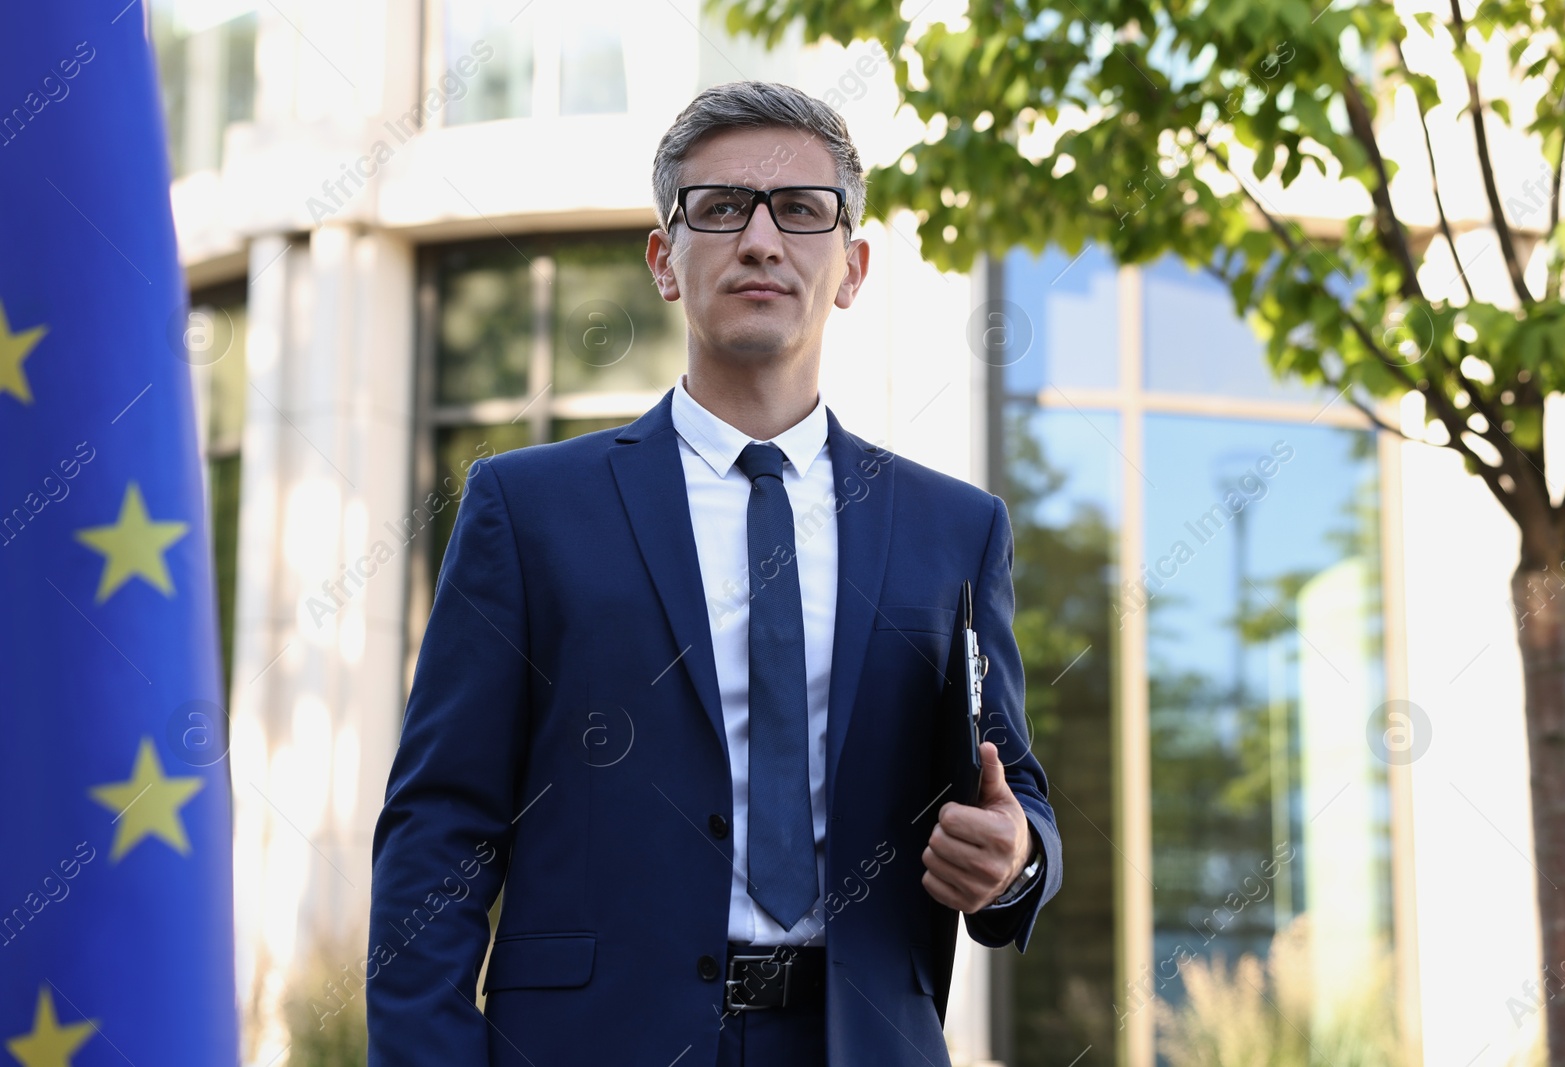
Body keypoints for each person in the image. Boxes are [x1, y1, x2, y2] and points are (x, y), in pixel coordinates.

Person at [366, 80, 1060, 1067]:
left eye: (802, 212)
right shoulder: (525, 510)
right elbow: (441, 823)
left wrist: (1017, 855)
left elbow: (1011, 785)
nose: (763, 240)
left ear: (852, 266)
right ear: (664, 258)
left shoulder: (955, 528)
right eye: (722, 207)